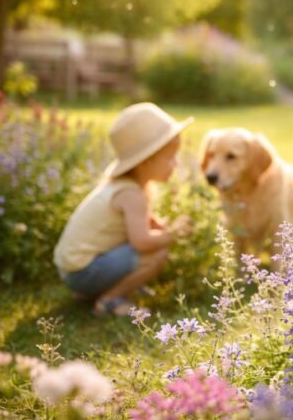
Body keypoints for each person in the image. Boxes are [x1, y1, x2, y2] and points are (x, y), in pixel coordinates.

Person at [54, 103, 193, 315]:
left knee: (150, 245)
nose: (176, 164)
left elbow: (144, 221)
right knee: (157, 253)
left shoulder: (123, 186)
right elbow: (142, 242)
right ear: (145, 162)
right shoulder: (131, 195)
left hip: (71, 270)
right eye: (170, 157)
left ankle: (101, 289)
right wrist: (171, 234)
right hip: (82, 273)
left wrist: (158, 225)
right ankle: (110, 299)